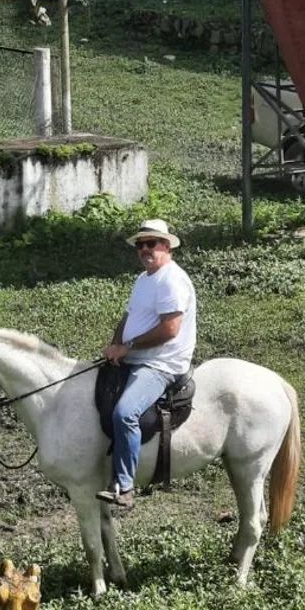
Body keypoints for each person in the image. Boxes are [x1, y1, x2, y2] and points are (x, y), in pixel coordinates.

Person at [96, 218, 196, 511]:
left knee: (125, 412)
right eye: (140, 245)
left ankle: (124, 486)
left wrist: (126, 347)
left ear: (166, 245)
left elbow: (170, 330)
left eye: (150, 243)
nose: (144, 249)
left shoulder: (171, 279)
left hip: (160, 364)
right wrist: (115, 346)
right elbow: (128, 318)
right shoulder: (144, 279)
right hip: (134, 357)